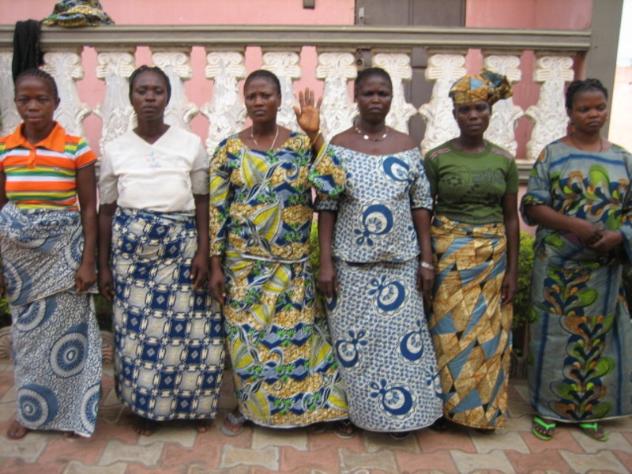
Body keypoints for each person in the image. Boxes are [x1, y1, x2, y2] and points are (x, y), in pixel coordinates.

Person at [209, 69, 348, 435]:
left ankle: (309, 411)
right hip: (244, 271)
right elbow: (217, 211)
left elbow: (334, 184)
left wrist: (315, 135)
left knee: (296, 344)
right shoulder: (228, 150)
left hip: (292, 270)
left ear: (279, 99)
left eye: (266, 95)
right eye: (252, 96)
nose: (258, 102)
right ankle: (249, 408)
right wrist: (215, 264)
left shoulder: (301, 145)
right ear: (244, 101)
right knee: (247, 343)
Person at [311, 67, 443, 436]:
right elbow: (326, 206)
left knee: (402, 346)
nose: (375, 100)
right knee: (356, 348)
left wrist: (426, 260)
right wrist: (325, 263)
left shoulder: (408, 146)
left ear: (391, 98)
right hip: (350, 267)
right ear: (356, 97)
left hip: (399, 266)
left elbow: (421, 204)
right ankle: (358, 415)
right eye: (368, 93)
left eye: (382, 93)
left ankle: (403, 419)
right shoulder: (338, 146)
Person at [98, 65, 224, 435]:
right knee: (139, 335)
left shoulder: (189, 144)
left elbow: (202, 200)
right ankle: (147, 409)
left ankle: (194, 408)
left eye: (157, 91)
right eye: (142, 91)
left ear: (168, 97)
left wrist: (203, 252)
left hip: (182, 252)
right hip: (132, 261)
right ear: (131, 97)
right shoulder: (115, 149)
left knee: (193, 332)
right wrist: (103, 265)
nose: (150, 98)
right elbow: (106, 210)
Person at [521, 78, 632, 442]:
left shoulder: (624, 160)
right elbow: (533, 206)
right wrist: (576, 226)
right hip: (557, 268)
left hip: (603, 270)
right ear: (569, 112)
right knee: (551, 338)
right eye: (584, 108)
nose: (593, 114)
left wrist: (620, 236)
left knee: (594, 338)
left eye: (599, 107)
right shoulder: (553, 155)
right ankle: (546, 410)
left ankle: (588, 410)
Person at [0, 68, 101, 439]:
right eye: (24, 99)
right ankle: (30, 411)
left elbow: (88, 209)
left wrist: (88, 262)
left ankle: (73, 412)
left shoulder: (76, 148)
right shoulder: (4, 148)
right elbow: (1, 208)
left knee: (70, 336)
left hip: (64, 255)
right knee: (26, 339)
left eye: (41, 99)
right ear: (15, 103)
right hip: (19, 262)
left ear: (56, 103)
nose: (33, 106)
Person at [424, 71, 519, 431]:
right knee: (447, 333)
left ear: (490, 112)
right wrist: (426, 261)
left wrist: (512, 272)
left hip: (492, 261)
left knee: (487, 337)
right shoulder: (437, 158)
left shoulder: (504, 161)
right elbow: (424, 212)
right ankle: (444, 411)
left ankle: (480, 413)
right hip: (448, 256)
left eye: (480, 109)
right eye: (465, 110)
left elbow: (511, 218)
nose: (473, 116)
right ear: (454, 114)